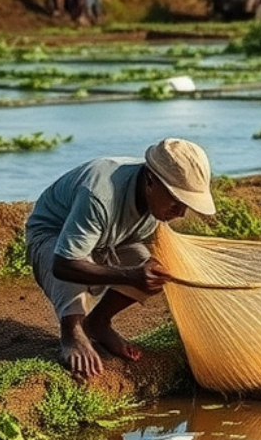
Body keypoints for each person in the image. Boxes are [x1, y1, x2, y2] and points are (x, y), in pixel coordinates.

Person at [25, 138, 216, 379]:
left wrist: (146, 270)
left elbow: (145, 248)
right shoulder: (100, 195)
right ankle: (72, 332)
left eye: (186, 204)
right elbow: (64, 264)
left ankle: (98, 322)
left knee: (159, 270)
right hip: (53, 234)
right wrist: (130, 274)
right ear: (149, 180)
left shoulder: (154, 196)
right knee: (76, 262)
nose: (181, 212)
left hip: (112, 239)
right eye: (176, 201)